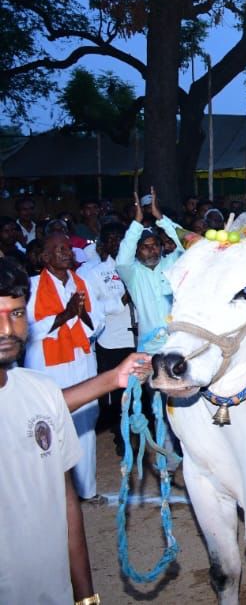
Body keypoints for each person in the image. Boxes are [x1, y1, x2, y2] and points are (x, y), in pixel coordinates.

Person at [0, 257, 148, 605]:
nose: (7, 329)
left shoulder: (39, 389)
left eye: (17, 314)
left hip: (53, 589)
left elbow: (66, 500)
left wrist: (85, 597)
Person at [25, 231, 102, 500]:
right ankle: (51, 493)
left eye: (67, 247)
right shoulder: (32, 286)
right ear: (45, 257)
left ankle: (87, 490)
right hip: (49, 367)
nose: (66, 252)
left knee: (86, 424)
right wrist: (66, 315)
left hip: (81, 360)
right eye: (58, 249)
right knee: (48, 427)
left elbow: (98, 322)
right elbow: (29, 329)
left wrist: (81, 314)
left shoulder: (82, 282)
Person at [78, 221, 133, 451]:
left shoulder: (133, 266)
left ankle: (133, 430)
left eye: (119, 238)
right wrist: (120, 301)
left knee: (134, 389)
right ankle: (121, 436)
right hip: (110, 340)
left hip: (136, 336)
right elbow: (93, 308)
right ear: (102, 243)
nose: (114, 243)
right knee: (117, 391)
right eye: (109, 239)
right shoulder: (93, 272)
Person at [116, 189, 184, 346]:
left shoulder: (173, 263)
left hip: (179, 342)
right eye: (145, 247)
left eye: (155, 245)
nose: (152, 250)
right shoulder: (132, 273)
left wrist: (160, 218)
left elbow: (187, 243)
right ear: (136, 250)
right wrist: (137, 222)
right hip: (149, 346)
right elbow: (121, 261)